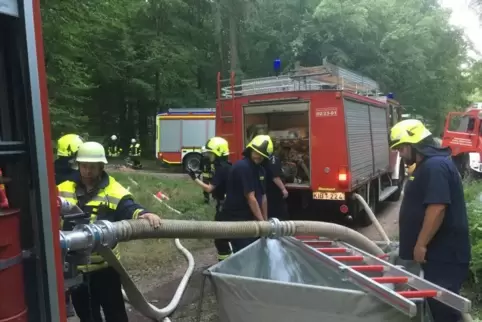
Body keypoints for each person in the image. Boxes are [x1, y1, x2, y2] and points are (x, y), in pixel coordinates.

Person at [57, 141, 161, 322]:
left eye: (93, 167)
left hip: (105, 268)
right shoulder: (62, 188)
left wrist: (144, 214)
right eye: (84, 166)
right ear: (78, 165)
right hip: (76, 269)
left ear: (102, 167)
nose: (88, 171)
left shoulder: (114, 190)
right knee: (88, 317)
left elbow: (129, 207)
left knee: (116, 315)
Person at [390, 119, 470, 322]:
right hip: (438, 256)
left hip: (445, 257)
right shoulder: (430, 165)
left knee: (445, 311)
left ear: (412, 144)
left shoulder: (435, 166)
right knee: (438, 307)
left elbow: (437, 208)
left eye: (401, 148)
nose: (400, 154)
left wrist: (420, 244)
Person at [221, 135, 273, 253]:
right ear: (250, 150)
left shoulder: (260, 170)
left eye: (262, 155)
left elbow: (263, 197)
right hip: (238, 219)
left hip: (251, 219)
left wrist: (265, 221)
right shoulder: (243, 167)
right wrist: (262, 223)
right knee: (244, 253)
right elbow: (251, 197)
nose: (258, 156)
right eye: (256, 152)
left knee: (256, 252)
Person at [187, 137, 232, 261]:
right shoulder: (227, 166)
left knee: (220, 238)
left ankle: (225, 264)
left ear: (218, 153)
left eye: (211, 153)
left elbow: (209, 189)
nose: (209, 156)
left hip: (225, 208)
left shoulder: (222, 169)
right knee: (224, 237)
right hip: (226, 205)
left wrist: (194, 178)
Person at [54, 133, 84, 317]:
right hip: (68, 227)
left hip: (49, 228)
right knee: (69, 266)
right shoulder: (75, 176)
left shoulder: (49, 169)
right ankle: (67, 303)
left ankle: (62, 303)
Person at [264, 140, 289, 220]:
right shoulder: (273, 159)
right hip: (274, 191)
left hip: (268, 190)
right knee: (280, 213)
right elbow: (275, 177)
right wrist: (283, 189)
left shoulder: (266, 158)